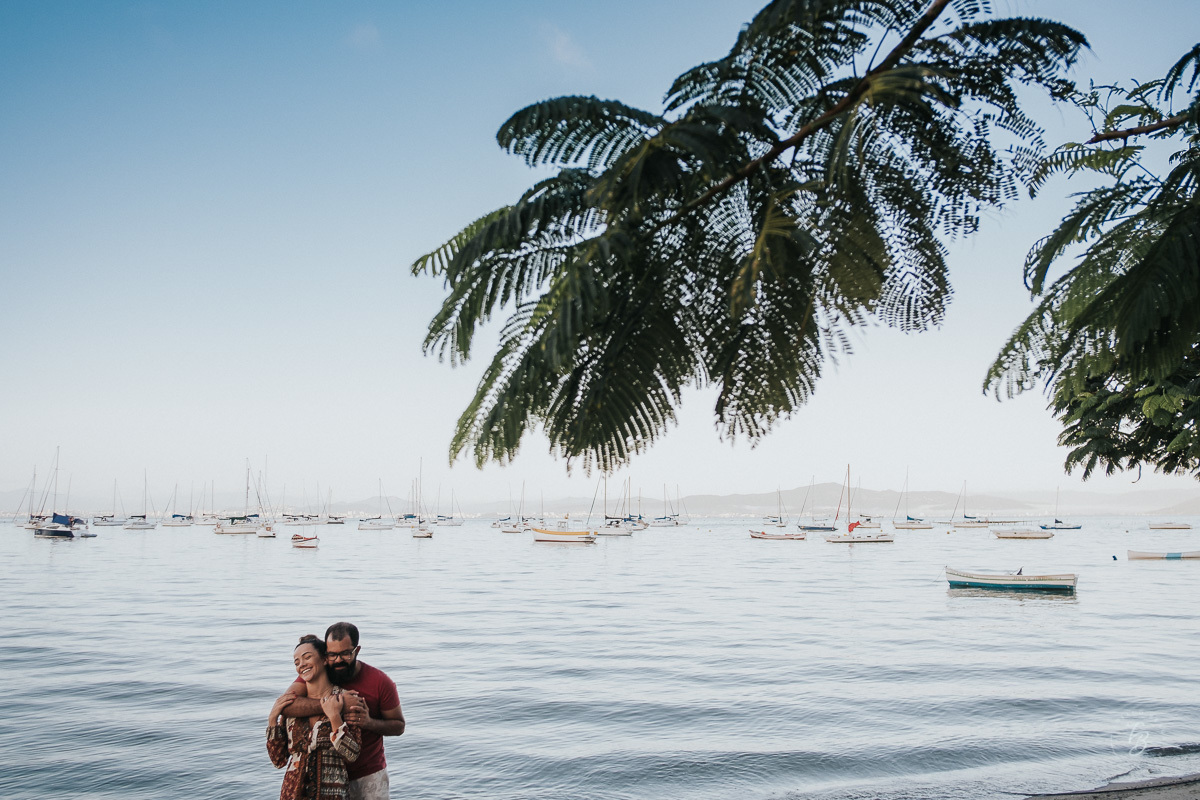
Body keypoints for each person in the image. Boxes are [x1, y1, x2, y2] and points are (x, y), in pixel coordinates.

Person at [276, 622, 405, 800]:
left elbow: (398, 726)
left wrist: (369, 722)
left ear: (356, 650)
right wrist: (337, 704)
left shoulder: (380, 682)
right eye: (332, 654)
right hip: (326, 777)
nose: (337, 660)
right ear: (324, 654)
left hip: (368, 774)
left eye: (345, 653)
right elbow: (287, 705)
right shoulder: (318, 671)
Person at [267, 635, 361, 800]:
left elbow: (352, 754)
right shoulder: (291, 706)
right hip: (292, 793)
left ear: (324, 659)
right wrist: (272, 720)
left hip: (332, 794)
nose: (301, 664)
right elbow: (278, 760)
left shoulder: (346, 699)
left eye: (307, 657)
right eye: (296, 662)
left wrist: (335, 719)